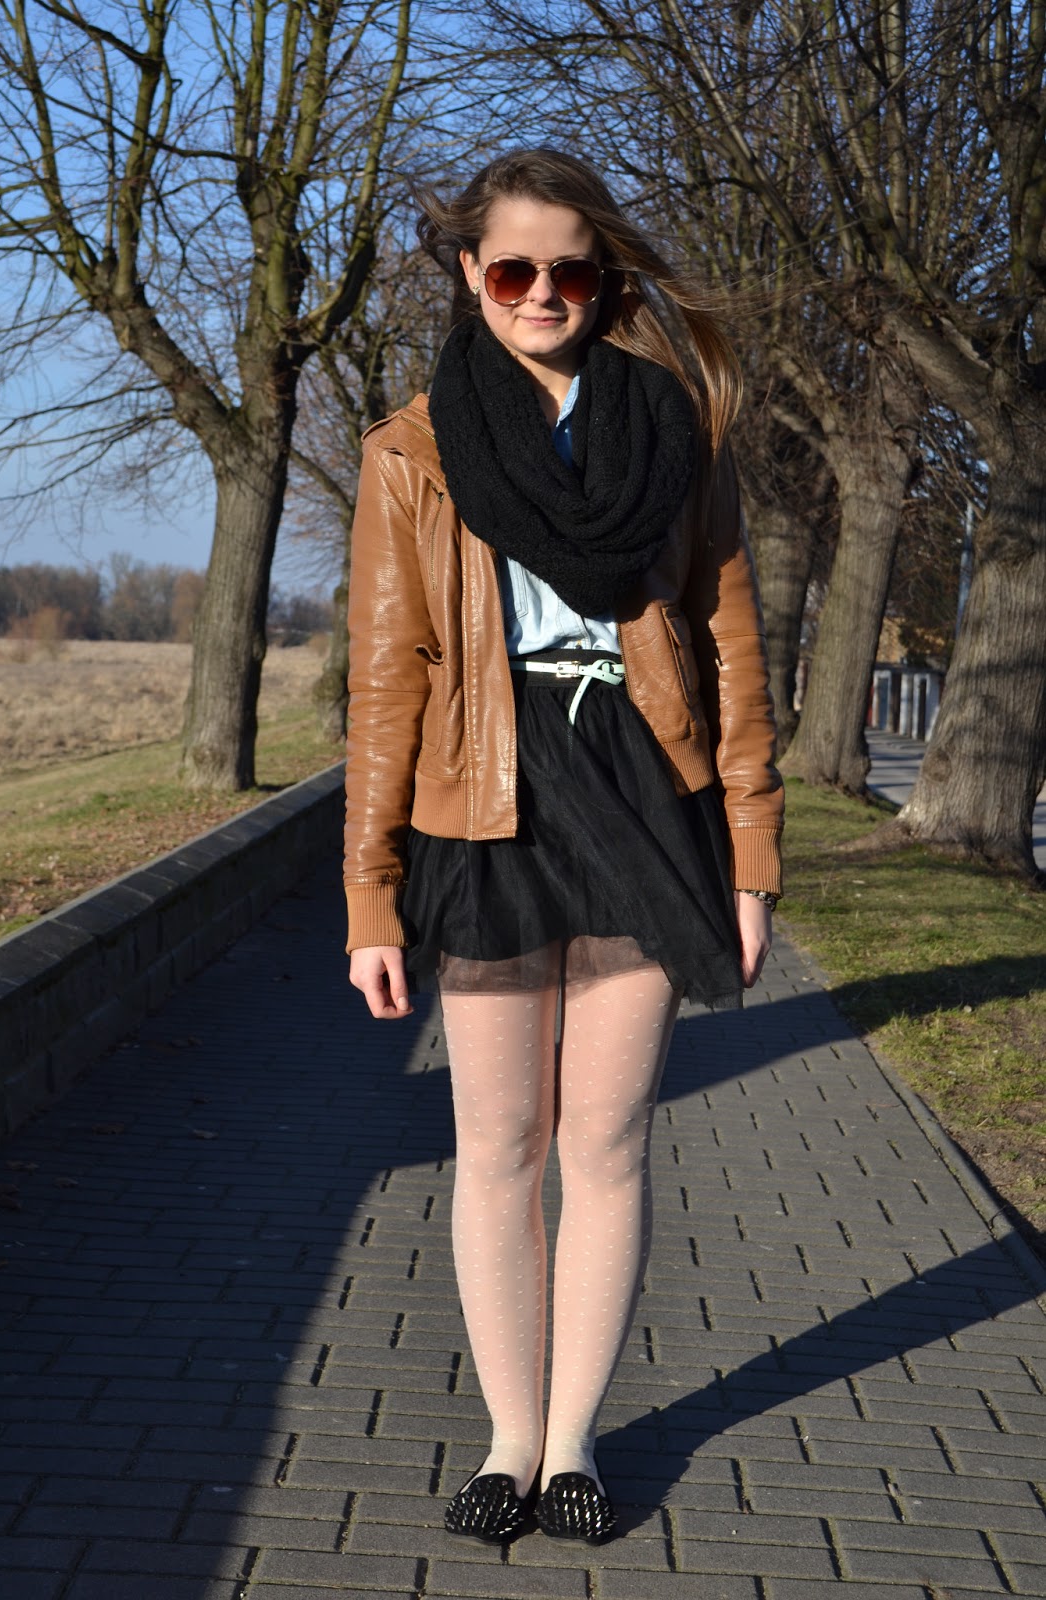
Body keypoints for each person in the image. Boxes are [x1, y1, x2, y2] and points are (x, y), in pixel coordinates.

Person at [344, 148, 782, 1546]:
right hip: (484, 799)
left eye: (571, 271)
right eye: (514, 269)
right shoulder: (411, 452)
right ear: (472, 275)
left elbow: (728, 644)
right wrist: (369, 893)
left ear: (605, 281)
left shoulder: (674, 433)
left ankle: (576, 1441)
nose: (542, 293)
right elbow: (387, 677)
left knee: (602, 1139)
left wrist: (752, 857)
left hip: (645, 793)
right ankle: (507, 1440)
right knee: (498, 1143)